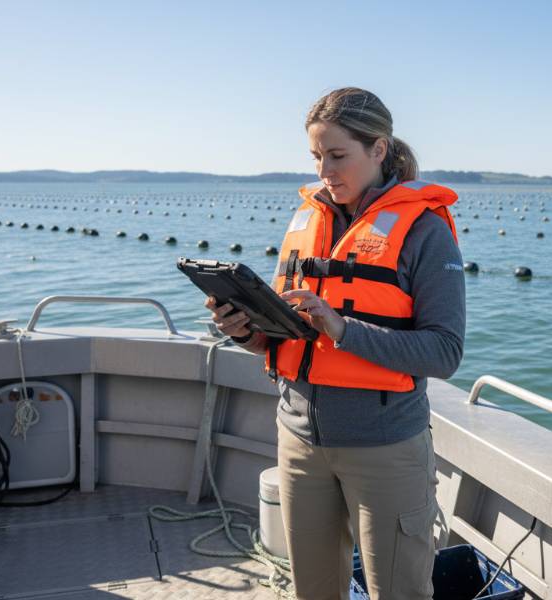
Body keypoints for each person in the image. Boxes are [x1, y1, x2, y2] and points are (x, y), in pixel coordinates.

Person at [204, 87, 465, 600]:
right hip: (299, 442)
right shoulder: (306, 221)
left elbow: (444, 352)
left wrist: (342, 328)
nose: (325, 169)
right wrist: (247, 332)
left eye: (338, 155)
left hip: (386, 447)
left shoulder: (426, 231)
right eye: (317, 156)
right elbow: (285, 340)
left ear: (379, 150)